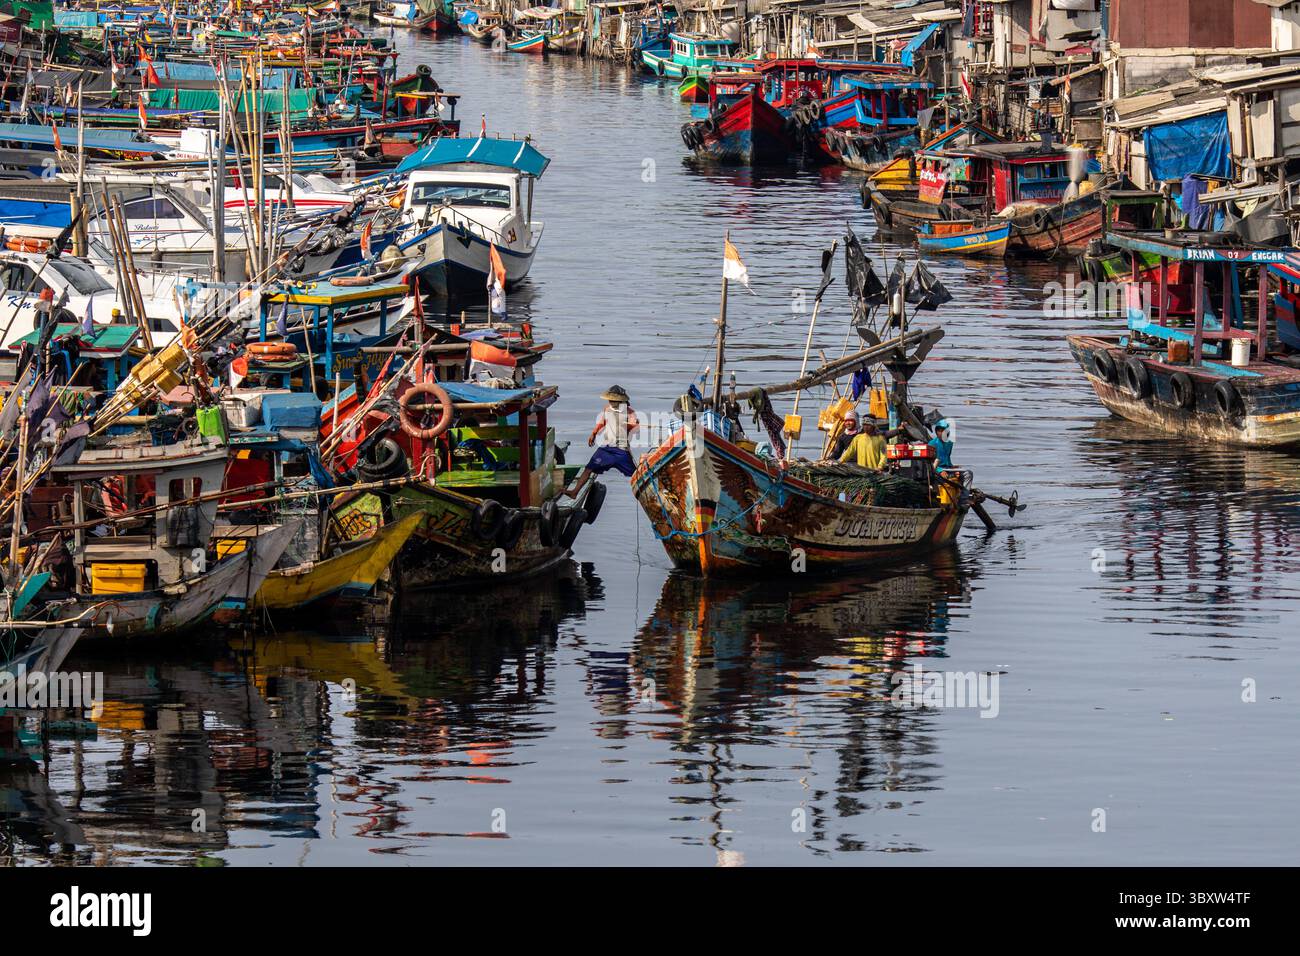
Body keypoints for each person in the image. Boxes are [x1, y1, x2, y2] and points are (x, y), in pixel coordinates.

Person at [563, 385, 639, 498]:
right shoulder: (607, 409)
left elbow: (634, 427)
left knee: (637, 475)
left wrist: (629, 424)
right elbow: (602, 422)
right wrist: (593, 433)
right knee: (588, 468)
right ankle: (575, 492)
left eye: (613, 400)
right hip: (606, 448)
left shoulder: (629, 412)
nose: (610, 401)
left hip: (621, 450)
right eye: (610, 399)